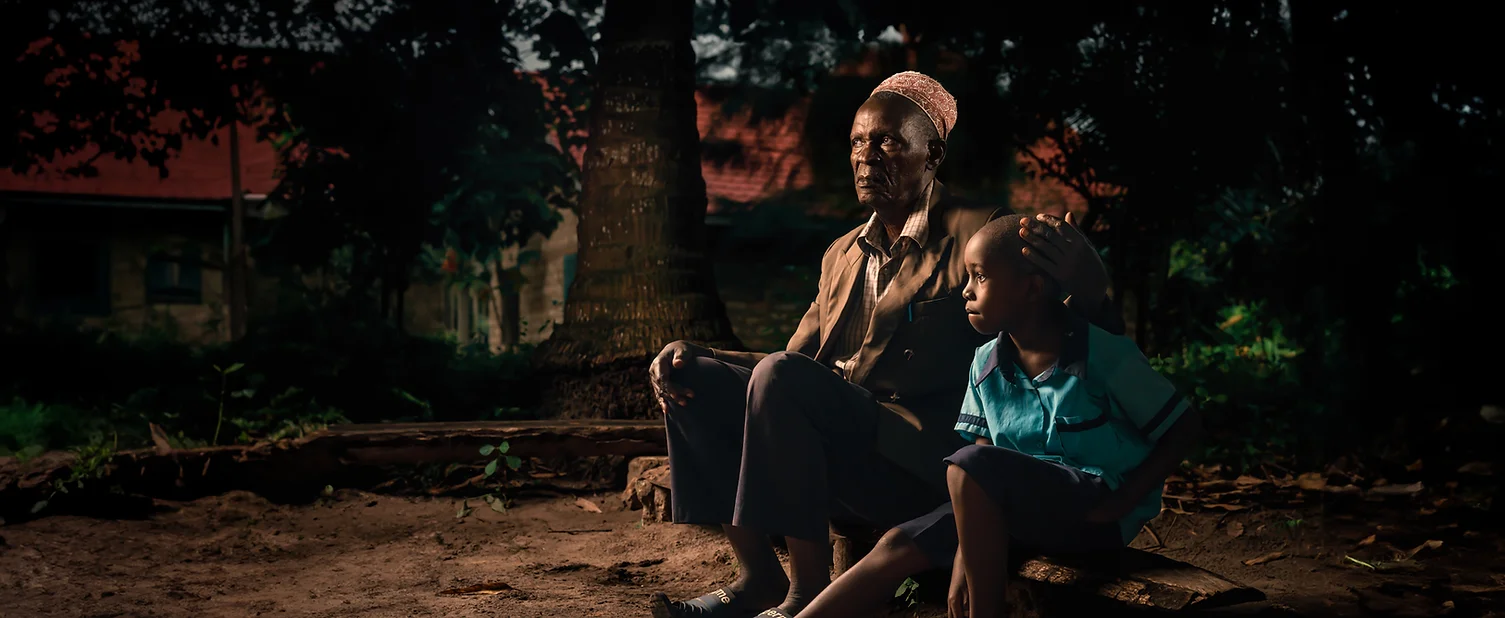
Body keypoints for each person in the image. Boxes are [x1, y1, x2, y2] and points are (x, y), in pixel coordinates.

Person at [647, 72, 1122, 618]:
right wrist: (701, 354)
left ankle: (807, 594)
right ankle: (758, 579)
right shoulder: (842, 252)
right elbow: (793, 363)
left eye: (888, 141)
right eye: (857, 142)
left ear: (933, 152)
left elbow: (1063, 337)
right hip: (826, 449)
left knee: (780, 378)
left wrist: (1092, 292)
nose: (866, 156)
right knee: (694, 379)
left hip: (921, 464)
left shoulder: (980, 233)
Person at [788, 215, 1204, 618]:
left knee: (965, 466)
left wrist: (1123, 502)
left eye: (980, 277)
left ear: (1032, 288)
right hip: (1010, 508)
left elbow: (1183, 428)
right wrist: (963, 558)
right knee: (898, 543)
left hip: (1091, 511)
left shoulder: (1104, 355)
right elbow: (983, 454)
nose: (966, 291)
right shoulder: (984, 362)